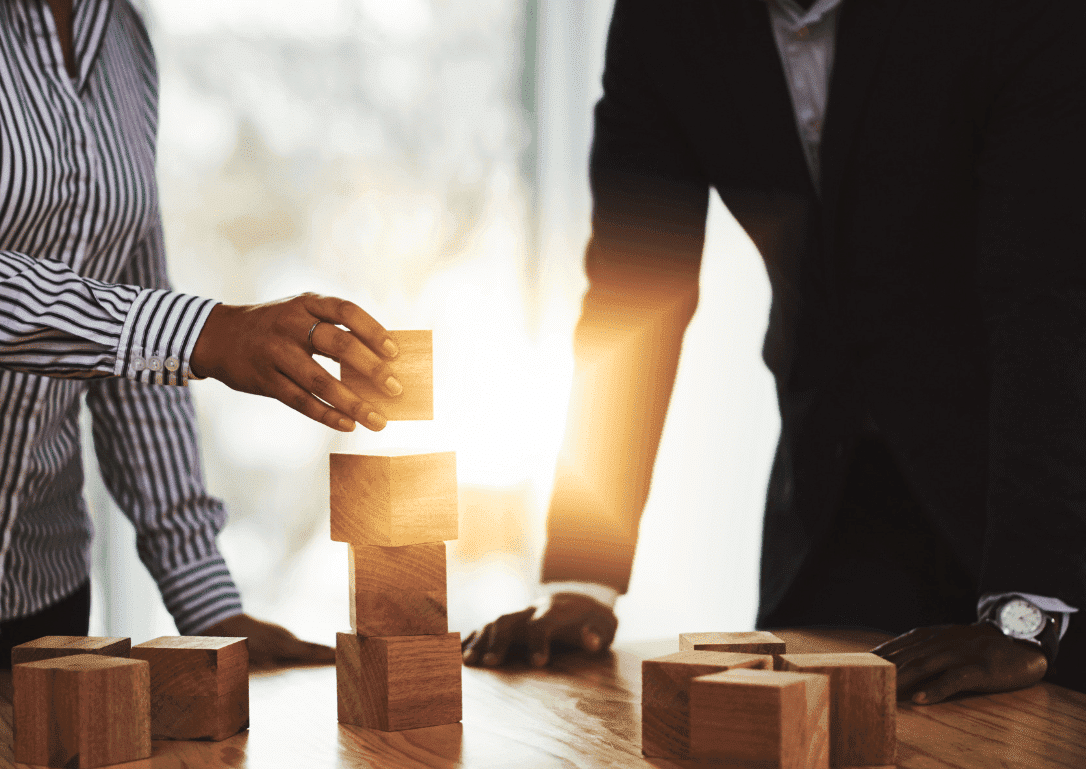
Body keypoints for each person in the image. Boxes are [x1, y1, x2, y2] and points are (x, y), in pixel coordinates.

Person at [464, 0, 1086, 700]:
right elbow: (632, 294)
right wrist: (583, 576)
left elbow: (1046, 291)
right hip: (836, 493)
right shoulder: (661, 22)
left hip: (1050, 492)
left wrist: (1030, 610)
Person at [0, 0, 401, 676]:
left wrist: (203, 597)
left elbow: (139, 340)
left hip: (43, 594)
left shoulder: (122, 35)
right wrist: (203, 330)